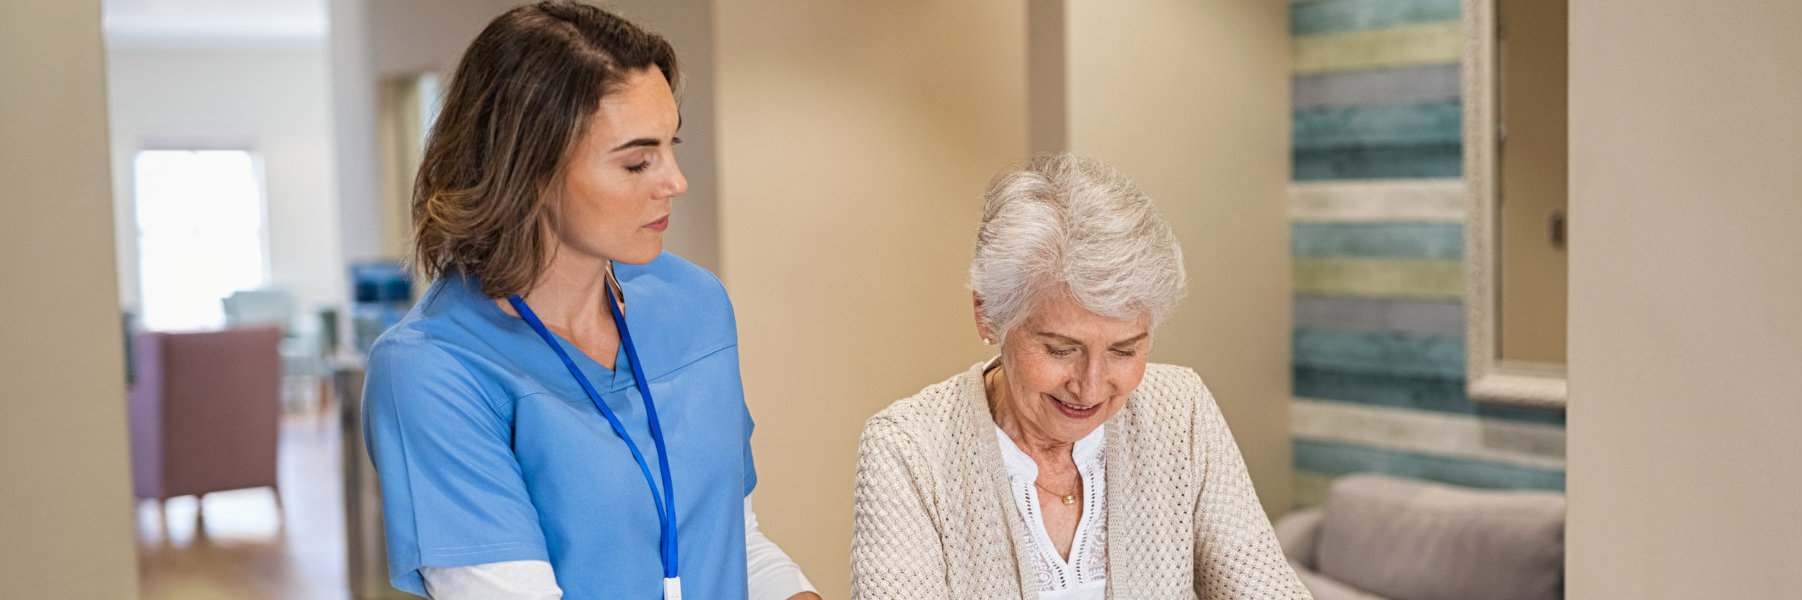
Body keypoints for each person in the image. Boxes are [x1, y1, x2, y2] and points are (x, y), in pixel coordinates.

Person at [362, 3, 818, 599]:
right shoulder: (432, 371)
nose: (674, 181)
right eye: (636, 161)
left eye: (669, 145)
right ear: (529, 171)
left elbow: (735, 544)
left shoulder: (695, 304)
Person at [849, 154, 1314, 599]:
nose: (1090, 386)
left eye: (1124, 350)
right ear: (988, 314)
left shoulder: (1182, 410)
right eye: (1060, 349)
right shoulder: (909, 448)